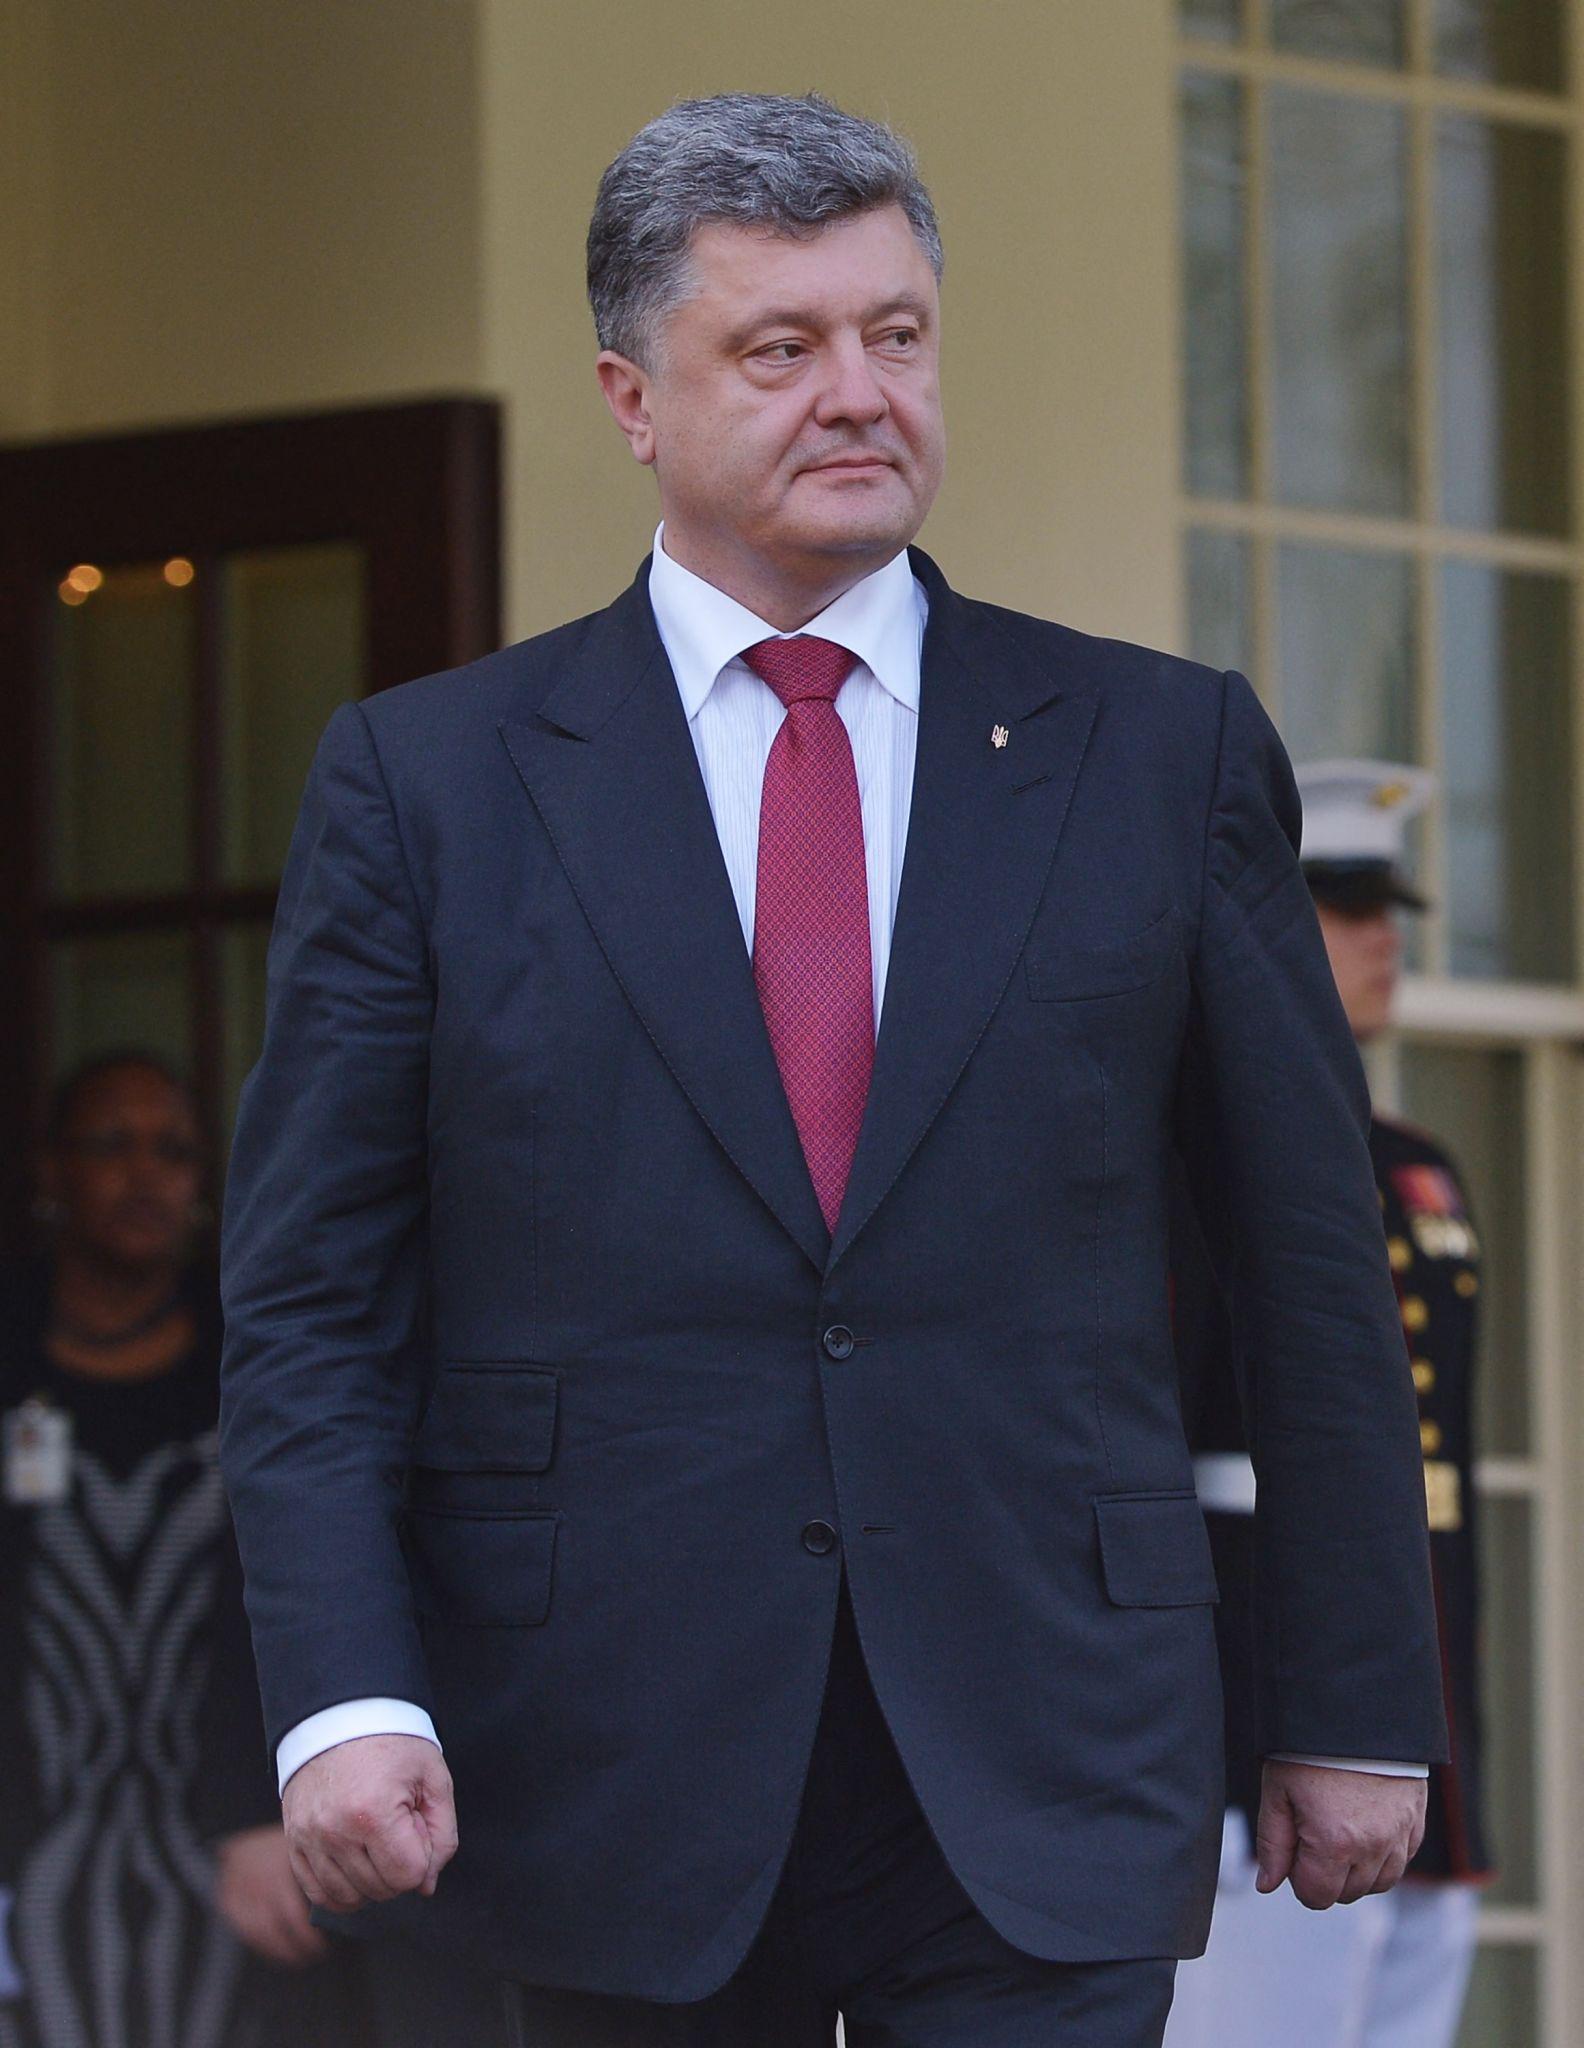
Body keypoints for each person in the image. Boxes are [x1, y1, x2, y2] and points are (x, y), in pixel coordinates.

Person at [219, 94, 1446, 2048]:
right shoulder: (429, 783)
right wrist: (344, 1696)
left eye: (895, 334)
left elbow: (1307, 1261)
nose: (858, 392)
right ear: (632, 397)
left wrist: (1357, 1695)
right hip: (604, 1753)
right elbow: (310, 1301)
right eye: (780, 347)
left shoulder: (1158, 752)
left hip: (1050, 1741)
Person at [1167, 761, 1493, 2048]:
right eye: (1346, 909)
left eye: (1386, 911)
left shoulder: (1414, 1167)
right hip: (1257, 1689)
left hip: (1417, 1678)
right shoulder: (1193, 1143)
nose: (1383, 940)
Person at [0, 1052, 367, 2048]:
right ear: (50, 1169)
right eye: (110, 1144)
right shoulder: (14, 1350)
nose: (144, 1175)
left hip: (229, 1833)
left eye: (173, 1151)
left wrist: (256, 1803)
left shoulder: (256, 1353)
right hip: (36, 1825)